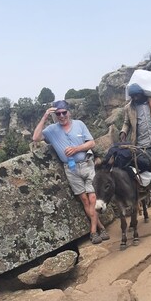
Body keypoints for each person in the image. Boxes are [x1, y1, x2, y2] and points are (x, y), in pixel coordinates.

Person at [33, 99, 109, 245]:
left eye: (64, 112)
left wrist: (76, 149)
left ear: (69, 112)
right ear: (55, 115)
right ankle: (101, 228)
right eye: (58, 114)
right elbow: (36, 138)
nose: (61, 116)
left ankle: (93, 232)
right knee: (85, 200)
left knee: (93, 198)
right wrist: (44, 117)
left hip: (86, 164)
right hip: (71, 169)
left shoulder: (79, 124)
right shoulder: (51, 130)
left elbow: (91, 143)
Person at [119, 83, 151, 209]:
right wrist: (123, 132)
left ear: (142, 94)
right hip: (140, 144)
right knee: (145, 168)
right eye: (132, 96)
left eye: (137, 95)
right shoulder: (129, 108)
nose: (135, 98)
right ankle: (146, 194)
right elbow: (126, 123)